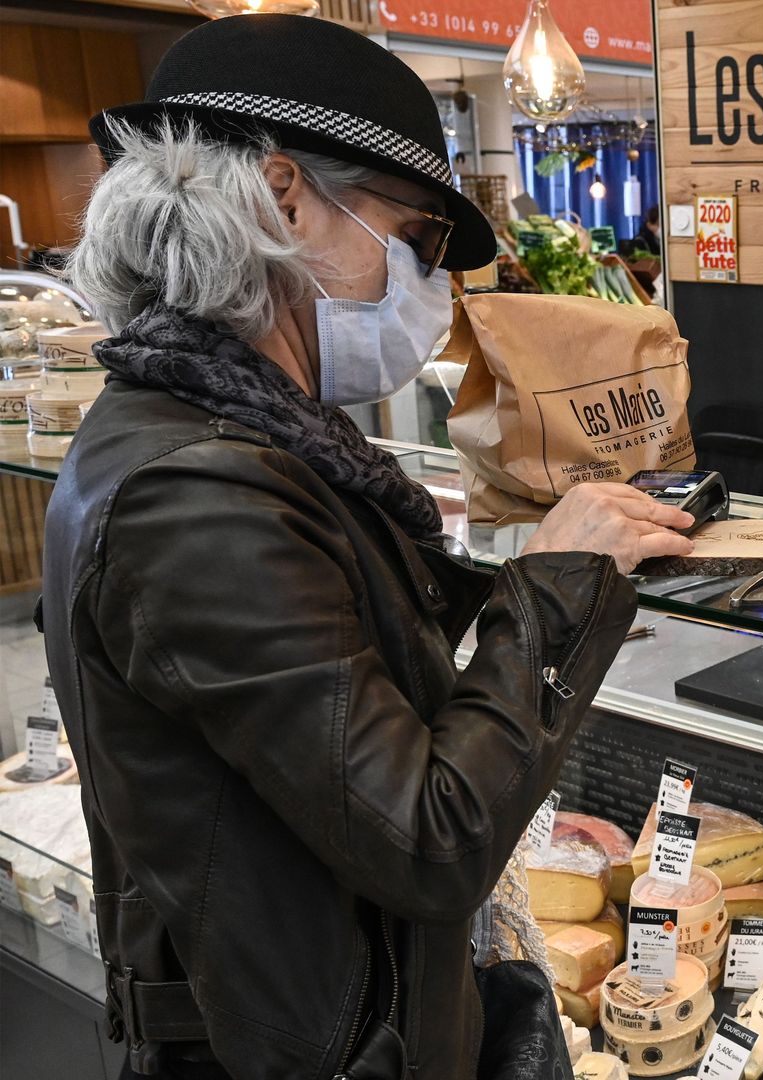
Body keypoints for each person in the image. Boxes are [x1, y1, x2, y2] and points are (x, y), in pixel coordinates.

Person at [44, 16, 693, 1080]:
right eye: (422, 240)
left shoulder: (235, 438)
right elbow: (430, 838)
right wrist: (557, 587)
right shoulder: (195, 495)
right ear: (285, 196)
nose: (432, 290)